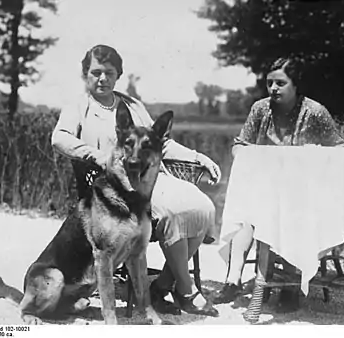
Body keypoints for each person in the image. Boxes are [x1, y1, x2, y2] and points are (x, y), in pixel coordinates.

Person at [51, 44, 221, 317]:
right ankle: (186, 290)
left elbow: (160, 143)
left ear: (118, 74)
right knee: (171, 214)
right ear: (86, 75)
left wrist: (198, 157)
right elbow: (59, 138)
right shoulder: (78, 106)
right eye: (95, 72)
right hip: (115, 188)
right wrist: (95, 155)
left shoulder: (132, 105)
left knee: (203, 208)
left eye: (109, 72)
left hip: (152, 179)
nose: (102, 79)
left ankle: (165, 284)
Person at [213, 57, 344, 311]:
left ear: (296, 86)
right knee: (246, 216)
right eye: (270, 83)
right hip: (267, 189)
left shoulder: (314, 112)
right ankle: (233, 280)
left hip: (305, 194)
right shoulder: (260, 109)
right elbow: (240, 144)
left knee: (291, 216)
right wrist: (244, 154)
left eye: (280, 83)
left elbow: (340, 149)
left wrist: (316, 154)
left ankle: (291, 286)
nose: (273, 88)